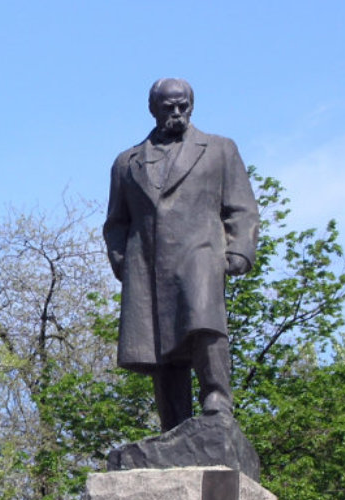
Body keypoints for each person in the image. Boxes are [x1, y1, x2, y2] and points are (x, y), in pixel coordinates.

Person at [103, 77, 259, 432]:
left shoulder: (220, 149)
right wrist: (123, 263)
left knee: (205, 328)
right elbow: (116, 222)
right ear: (152, 108)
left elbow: (242, 207)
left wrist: (239, 250)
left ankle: (217, 402)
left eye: (182, 105)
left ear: (191, 105)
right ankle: (173, 425)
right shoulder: (126, 163)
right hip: (147, 264)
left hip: (200, 255)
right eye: (168, 106)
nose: (176, 112)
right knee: (160, 347)